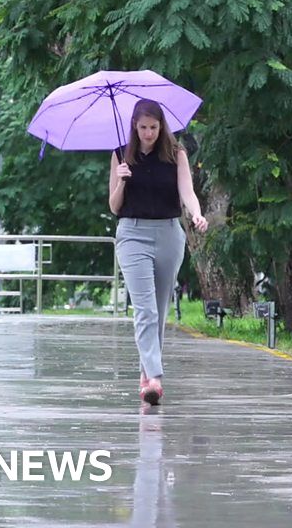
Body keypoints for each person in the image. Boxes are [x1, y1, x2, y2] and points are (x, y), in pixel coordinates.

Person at [109, 98, 208, 405]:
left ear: (162, 126)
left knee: (159, 311)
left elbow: (187, 191)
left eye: (154, 127)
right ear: (134, 128)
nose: (149, 133)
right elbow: (114, 207)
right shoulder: (120, 155)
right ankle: (156, 376)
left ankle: (145, 378)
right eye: (143, 128)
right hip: (132, 234)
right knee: (146, 310)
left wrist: (196, 213)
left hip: (168, 234)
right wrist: (122, 181)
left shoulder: (176, 154)